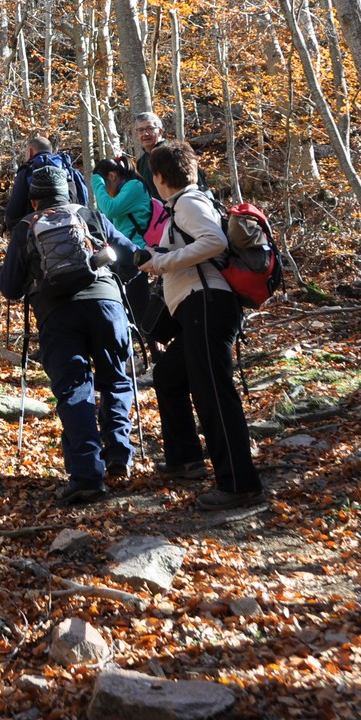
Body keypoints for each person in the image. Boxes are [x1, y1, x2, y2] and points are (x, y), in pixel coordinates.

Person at [0, 165, 139, 505]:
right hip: (105, 305)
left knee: (75, 389)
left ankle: (87, 475)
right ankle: (118, 453)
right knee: (115, 379)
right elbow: (129, 255)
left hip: (57, 313)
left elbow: (10, 288)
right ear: (68, 193)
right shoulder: (91, 215)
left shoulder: (25, 227)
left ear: (34, 201)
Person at [136, 141, 265, 510]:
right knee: (169, 377)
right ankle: (185, 459)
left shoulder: (189, 202)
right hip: (200, 308)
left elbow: (214, 241)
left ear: (159, 177)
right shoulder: (187, 203)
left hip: (206, 306)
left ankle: (239, 484)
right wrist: (158, 257)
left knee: (214, 394)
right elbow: (194, 247)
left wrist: (162, 263)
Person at [3, 135, 92, 232]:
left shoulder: (27, 170)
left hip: (37, 231)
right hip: (74, 227)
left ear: (30, 152)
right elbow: (84, 200)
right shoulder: (68, 169)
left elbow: (14, 211)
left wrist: (16, 229)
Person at [91, 158, 152, 248]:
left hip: (139, 249)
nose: (105, 192)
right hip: (126, 249)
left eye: (104, 186)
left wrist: (97, 182)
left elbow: (110, 210)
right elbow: (102, 219)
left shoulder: (135, 186)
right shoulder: (119, 193)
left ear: (112, 176)